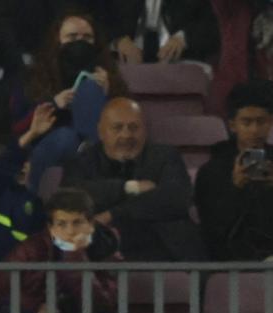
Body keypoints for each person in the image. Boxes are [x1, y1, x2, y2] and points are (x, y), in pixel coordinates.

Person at [61, 97, 202, 263]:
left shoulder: (165, 156)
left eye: (134, 127)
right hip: (103, 255)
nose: (126, 135)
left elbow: (176, 198)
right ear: (101, 131)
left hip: (166, 252)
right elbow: (71, 197)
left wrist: (111, 214)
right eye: (117, 127)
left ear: (145, 130)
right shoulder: (82, 162)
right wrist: (129, 188)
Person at [194, 81, 273, 262]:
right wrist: (234, 188)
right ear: (233, 125)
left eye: (261, 122)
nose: (255, 130)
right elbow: (210, 227)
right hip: (229, 263)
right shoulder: (211, 172)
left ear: (271, 122)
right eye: (247, 122)